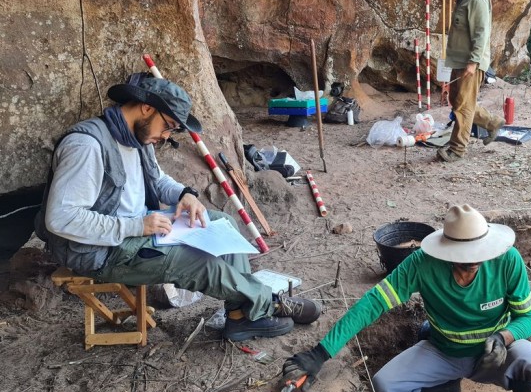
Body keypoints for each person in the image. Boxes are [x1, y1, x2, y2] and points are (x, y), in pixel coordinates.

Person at [34, 73, 321, 341]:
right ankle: (268, 302)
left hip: (140, 230)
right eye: (169, 126)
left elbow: (157, 180)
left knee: (221, 223)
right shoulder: (87, 146)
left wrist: (185, 194)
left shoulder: (137, 138)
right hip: (102, 252)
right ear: (146, 108)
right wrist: (136, 226)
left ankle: (240, 315)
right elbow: (61, 218)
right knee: (202, 264)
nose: (167, 136)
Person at [280, 205, 531, 392]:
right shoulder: (422, 263)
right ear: (447, 250)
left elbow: (529, 318)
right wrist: (320, 353)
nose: (474, 261)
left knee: (529, 359)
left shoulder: (507, 260)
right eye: (465, 255)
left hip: (494, 354)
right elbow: (373, 303)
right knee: (386, 386)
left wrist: (502, 337)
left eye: (480, 253)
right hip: (444, 352)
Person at [437, 0, 506, 163]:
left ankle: (457, 149)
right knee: (457, 101)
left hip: (470, 62)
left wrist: (474, 62)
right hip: (459, 60)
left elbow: (481, 33)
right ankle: (492, 122)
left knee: (463, 107)